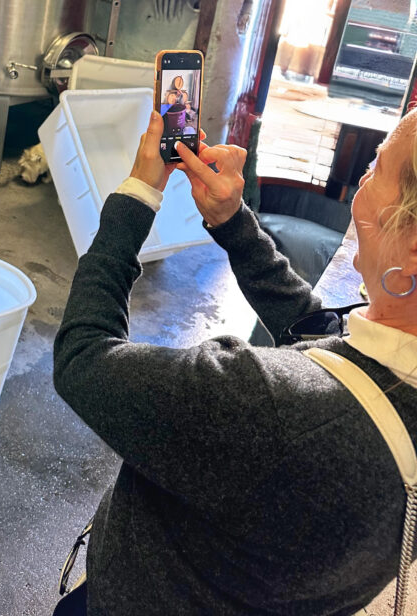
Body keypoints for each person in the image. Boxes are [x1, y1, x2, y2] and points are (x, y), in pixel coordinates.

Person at [53, 107, 417, 615]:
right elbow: (323, 342)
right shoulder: (391, 378)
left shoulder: (263, 405)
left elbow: (83, 358)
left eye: (377, 168)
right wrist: (233, 222)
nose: (362, 178)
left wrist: (138, 193)